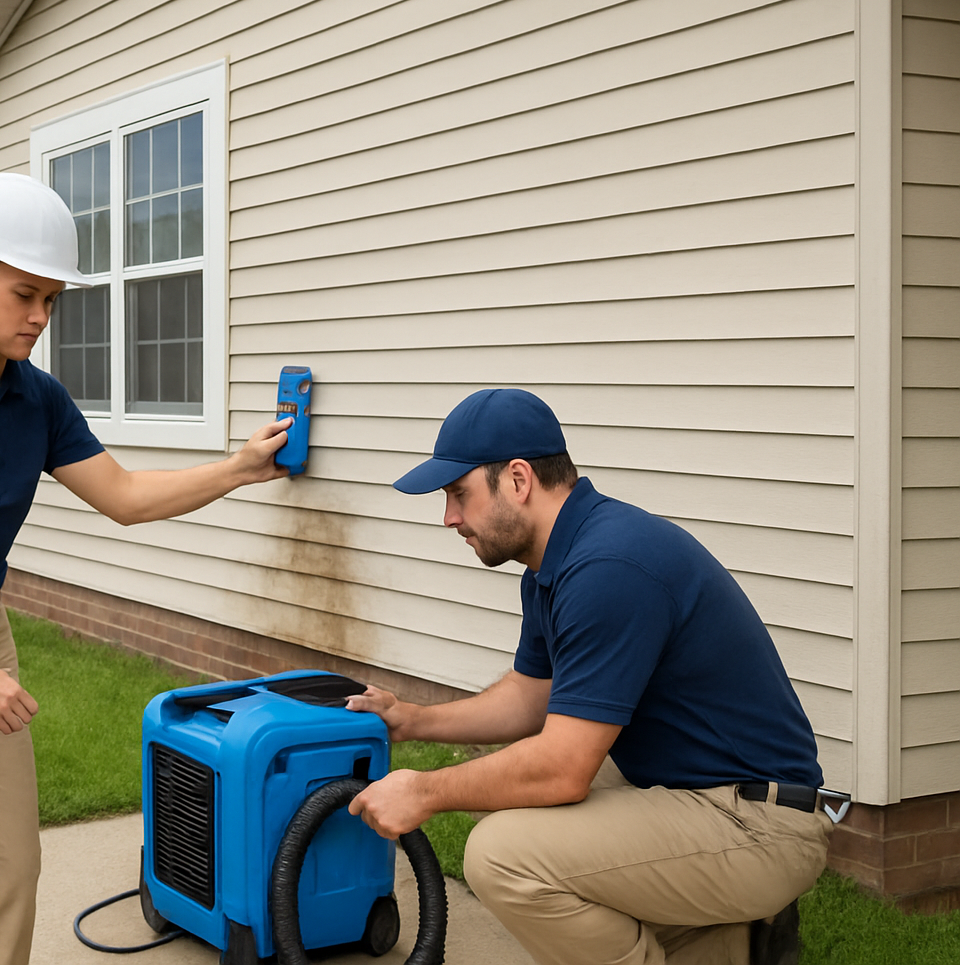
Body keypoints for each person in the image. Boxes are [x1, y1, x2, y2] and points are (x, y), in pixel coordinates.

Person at [0, 172, 292, 965]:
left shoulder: (38, 399)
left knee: (10, 861)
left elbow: (126, 496)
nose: (40, 316)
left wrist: (236, 468)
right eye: (24, 294)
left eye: (51, 300)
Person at [344, 388, 831, 965]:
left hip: (756, 826)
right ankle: (726, 944)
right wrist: (413, 720)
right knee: (532, 807)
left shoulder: (609, 568)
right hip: (699, 797)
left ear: (518, 480)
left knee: (504, 855)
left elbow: (562, 769)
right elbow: (532, 697)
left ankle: (729, 931)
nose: (449, 517)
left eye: (458, 493)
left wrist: (424, 791)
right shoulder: (559, 561)